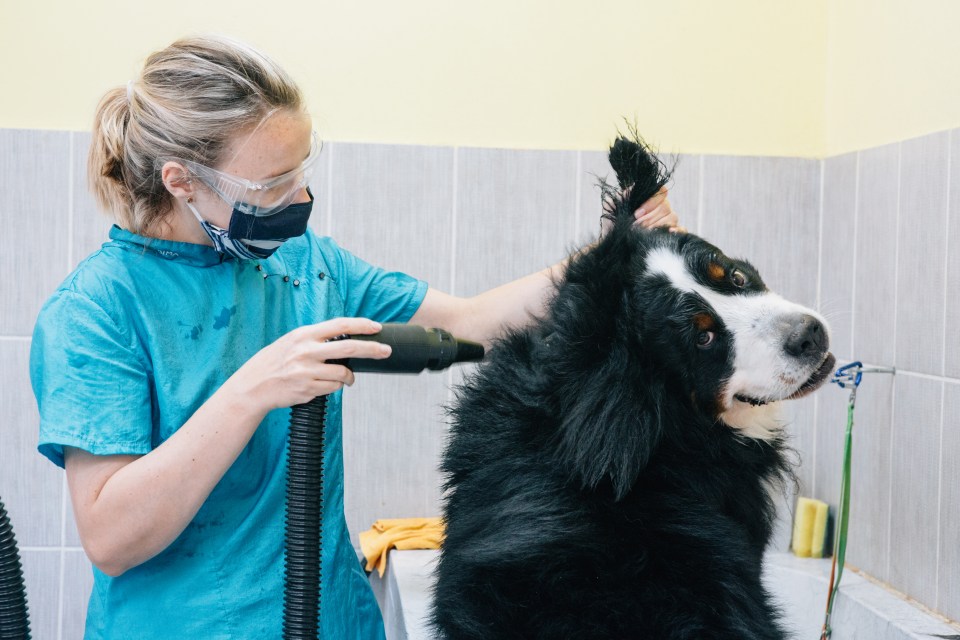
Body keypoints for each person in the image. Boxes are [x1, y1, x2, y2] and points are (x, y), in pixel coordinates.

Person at [29, 35, 679, 639]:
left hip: (330, 618)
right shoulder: (97, 310)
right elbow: (112, 538)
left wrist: (613, 255)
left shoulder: (303, 263)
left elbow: (473, 323)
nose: (300, 194)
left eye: (300, 168)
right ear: (183, 181)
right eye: (272, 183)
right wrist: (251, 390)